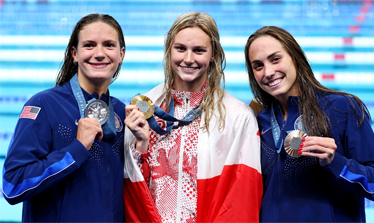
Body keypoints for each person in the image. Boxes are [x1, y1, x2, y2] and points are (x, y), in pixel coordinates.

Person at [245, 26, 374, 222]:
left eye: (275, 59)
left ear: (295, 57)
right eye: (258, 66)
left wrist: (335, 163)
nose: (268, 72)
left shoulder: (342, 108)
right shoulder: (258, 121)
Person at [123, 11, 263, 222]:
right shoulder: (146, 107)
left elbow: (241, 196)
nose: (188, 59)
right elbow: (134, 190)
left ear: (213, 54)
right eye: (180, 49)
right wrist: (140, 144)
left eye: (199, 50)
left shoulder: (237, 116)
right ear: (169, 50)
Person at [2, 13, 126, 222]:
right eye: (89, 45)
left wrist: (142, 148)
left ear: (121, 54)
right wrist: (76, 149)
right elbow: (13, 185)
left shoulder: (121, 113)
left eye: (109, 45)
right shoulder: (44, 105)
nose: (99, 53)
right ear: (74, 54)